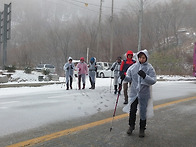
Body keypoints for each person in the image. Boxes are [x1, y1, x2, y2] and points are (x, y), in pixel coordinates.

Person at [123, 49, 157, 138]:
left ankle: (142, 129)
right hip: (134, 93)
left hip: (144, 94)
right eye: (140, 57)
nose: (141, 59)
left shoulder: (149, 68)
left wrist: (145, 76)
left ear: (146, 58)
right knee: (132, 110)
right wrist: (124, 77)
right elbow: (129, 78)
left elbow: (153, 80)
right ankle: (131, 126)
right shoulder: (133, 67)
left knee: (143, 111)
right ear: (138, 58)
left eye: (143, 57)